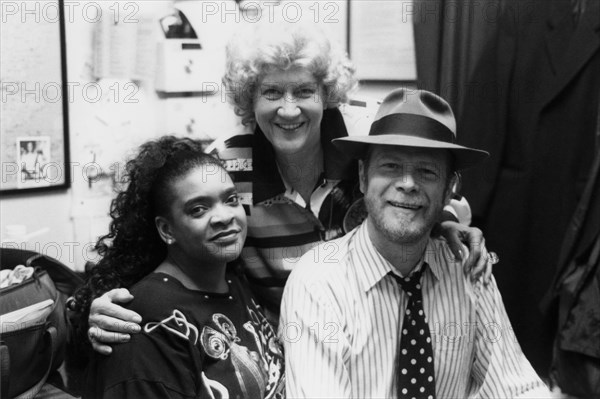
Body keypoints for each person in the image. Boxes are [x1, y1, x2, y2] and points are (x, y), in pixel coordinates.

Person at [84, 23, 493, 354]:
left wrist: (445, 228)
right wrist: (107, 302)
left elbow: (422, 197)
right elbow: (164, 242)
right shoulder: (226, 165)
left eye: (304, 91)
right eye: (272, 92)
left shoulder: (363, 147)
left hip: (380, 340)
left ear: (326, 95)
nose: (289, 109)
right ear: (250, 99)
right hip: (286, 351)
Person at [280, 88, 552, 398]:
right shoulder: (318, 283)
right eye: (390, 166)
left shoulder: (468, 270)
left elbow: (516, 388)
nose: (408, 184)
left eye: (426, 171)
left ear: (450, 188)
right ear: (363, 176)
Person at [76, 136, 284, 398]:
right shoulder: (145, 322)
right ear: (166, 230)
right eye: (198, 209)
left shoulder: (232, 279)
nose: (224, 217)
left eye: (231, 199)